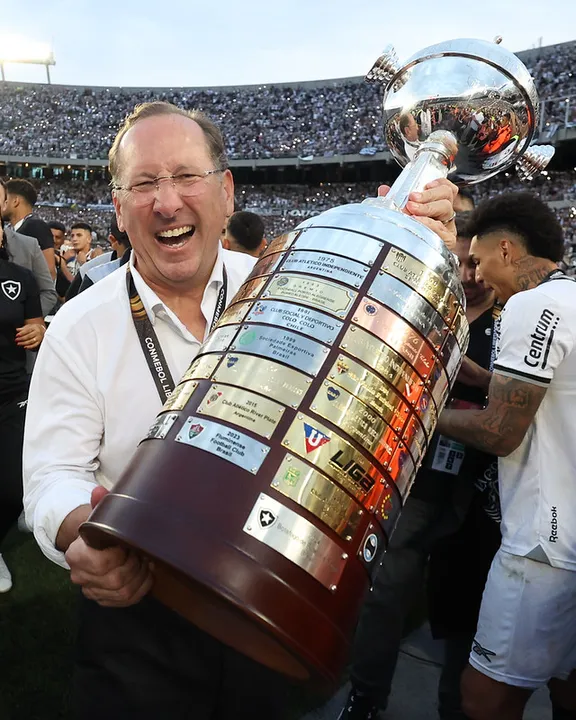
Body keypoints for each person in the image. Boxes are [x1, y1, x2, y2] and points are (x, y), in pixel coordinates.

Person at [23, 101, 458, 720]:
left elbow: (384, 366)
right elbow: (49, 475)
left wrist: (416, 251)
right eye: (144, 183)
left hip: (274, 595)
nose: (167, 202)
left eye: (186, 176)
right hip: (143, 601)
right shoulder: (79, 326)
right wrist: (76, 533)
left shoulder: (294, 276)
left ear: (226, 192)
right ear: (118, 209)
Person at [338, 215, 499, 720]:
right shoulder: (421, 313)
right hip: (411, 480)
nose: (469, 275)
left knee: (464, 606)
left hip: (476, 491)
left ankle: (455, 705)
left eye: (476, 264)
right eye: (459, 263)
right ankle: (365, 697)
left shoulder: (514, 324)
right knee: (384, 592)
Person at [437, 192, 576, 720]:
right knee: (567, 689)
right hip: (571, 538)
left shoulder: (529, 305)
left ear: (506, 249)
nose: (475, 274)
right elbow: (556, 398)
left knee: (485, 697)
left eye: (477, 260)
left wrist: (422, 414)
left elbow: (500, 431)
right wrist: (484, 378)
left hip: (542, 546)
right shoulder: (570, 297)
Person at [0, 219, 45, 592]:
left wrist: (39, 331)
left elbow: (36, 325)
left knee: (14, 487)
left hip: (12, 391)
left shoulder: (19, 277)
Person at [3, 179, 56, 280]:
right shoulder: (12, 230)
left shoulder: (36, 226)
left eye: (4, 199)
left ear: (15, 201)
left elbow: (49, 272)